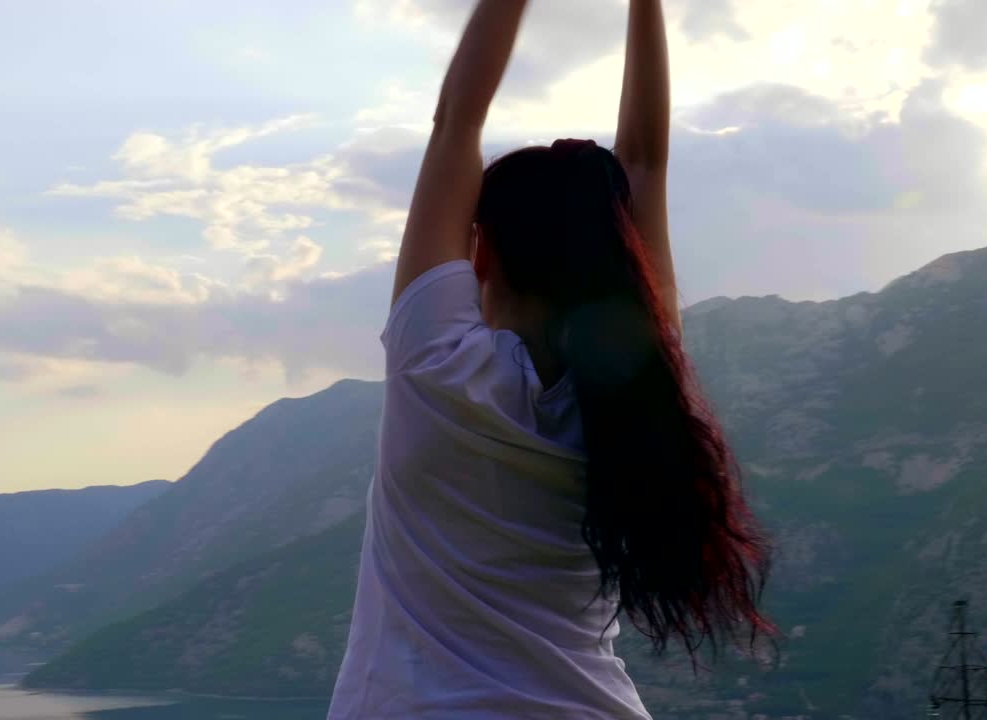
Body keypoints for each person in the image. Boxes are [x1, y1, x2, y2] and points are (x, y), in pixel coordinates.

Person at [327, 1, 773, 718]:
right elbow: (644, 163)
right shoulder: (638, 387)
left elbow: (456, 124)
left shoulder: (435, 362)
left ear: (482, 249)